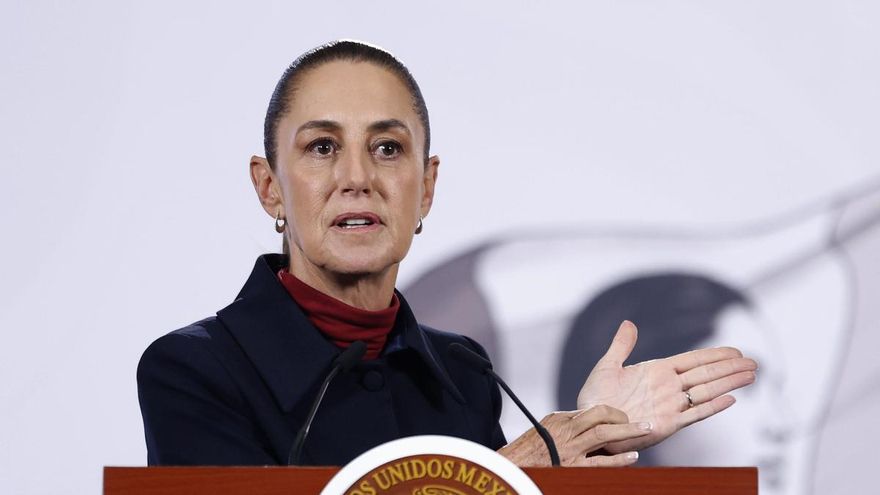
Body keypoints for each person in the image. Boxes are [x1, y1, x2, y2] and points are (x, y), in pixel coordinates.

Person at [137, 40, 758, 468]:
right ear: (269, 186)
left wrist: (589, 439)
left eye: (387, 148)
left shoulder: (463, 372)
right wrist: (505, 474)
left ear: (426, 187)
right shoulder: (192, 372)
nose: (358, 177)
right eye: (322, 148)